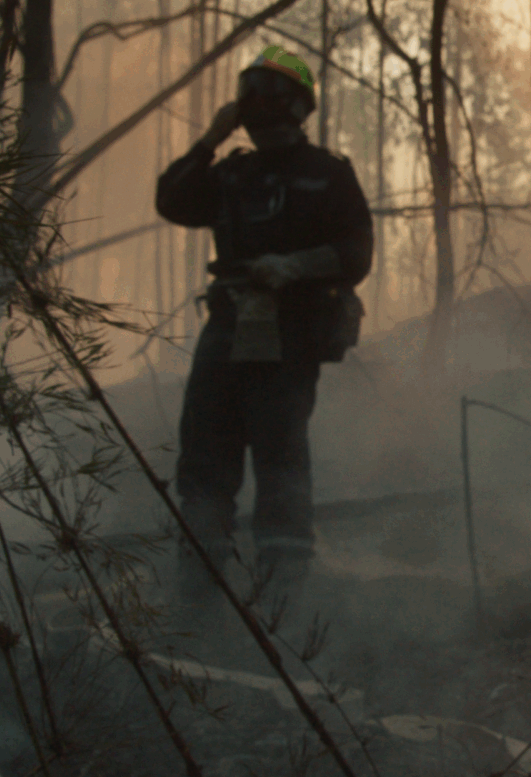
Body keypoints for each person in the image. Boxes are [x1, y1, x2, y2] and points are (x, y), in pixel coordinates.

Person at [156, 46, 372, 610]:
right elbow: (173, 200)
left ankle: (283, 599)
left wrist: (296, 266)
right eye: (250, 89)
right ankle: (198, 595)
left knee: (279, 459)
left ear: (300, 105)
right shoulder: (232, 173)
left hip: (292, 331)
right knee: (203, 456)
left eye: (272, 91)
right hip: (229, 326)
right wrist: (209, 141)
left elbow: (356, 253)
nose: (260, 102)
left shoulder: (327, 174)